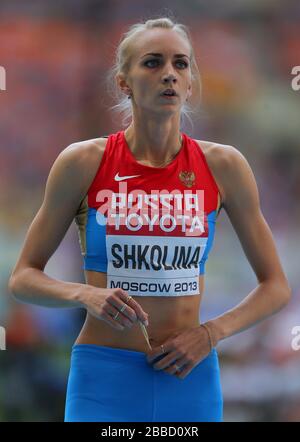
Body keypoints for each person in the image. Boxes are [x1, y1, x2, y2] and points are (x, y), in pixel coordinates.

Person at [8, 17, 291, 422]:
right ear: (124, 81)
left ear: (191, 82)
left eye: (181, 64)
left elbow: (276, 287)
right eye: (153, 63)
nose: (169, 75)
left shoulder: (224, 166)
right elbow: (23, 279)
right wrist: (85, 294)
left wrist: (210, 334)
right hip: (103, 378)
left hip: (188, 373)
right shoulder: (83, 162)